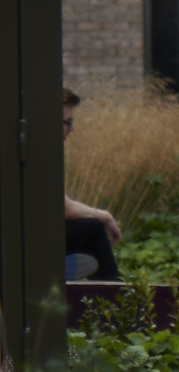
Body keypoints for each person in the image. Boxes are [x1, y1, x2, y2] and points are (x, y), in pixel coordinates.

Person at [61, 88, 123, 283]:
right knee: (93, 230)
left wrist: (101, 214)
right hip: (20, 242)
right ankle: (114, 303)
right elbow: (64, 209)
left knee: (89, 226)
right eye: (68, 122)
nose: (72, 129)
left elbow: (63, 203)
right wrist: (103, 216)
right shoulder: (36, 152)